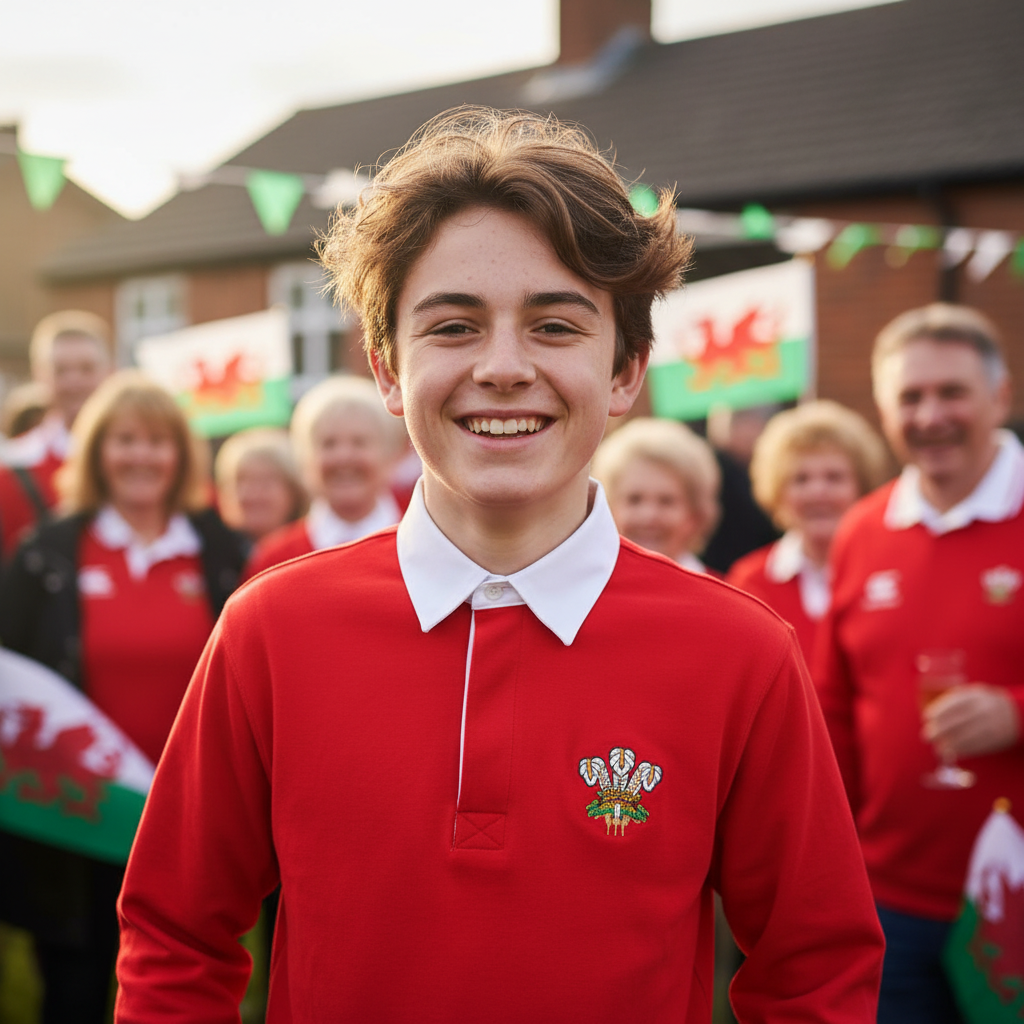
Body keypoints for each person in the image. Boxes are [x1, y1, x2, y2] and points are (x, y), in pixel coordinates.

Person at [115, 108, 883, 1022]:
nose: (505, 367)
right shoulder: (270, 629)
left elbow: (815, 969)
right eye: (454, 327)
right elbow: (175, 938)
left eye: (557, 327)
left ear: (627, 370)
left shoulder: (742, 652)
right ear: (388, 368)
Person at [0, 370, 245, 1024]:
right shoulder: (48, 552)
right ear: (98, 451)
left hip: (191, 816)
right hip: (79, 815)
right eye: (125, 440)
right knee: (75, 992)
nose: (141, 455)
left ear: (182, 454)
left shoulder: (222, 549)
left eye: (158, 441)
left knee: (182, 987)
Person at [813, 303, 1024, 1023]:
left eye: (951, 392)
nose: (930, 414)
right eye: (910, 397)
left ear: (1000, 396)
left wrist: (1017, 712)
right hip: (888, 899)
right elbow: (834, 704)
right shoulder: (862, 530)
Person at [727, 400, 889, 658]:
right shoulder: (749, 583)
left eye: (834, 477)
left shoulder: (889, 572)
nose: (818, 492)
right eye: (801, 479)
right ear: (778, 491)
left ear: (862, 486)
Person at [243, 374, 404, 576]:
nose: (343, 457)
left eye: (359, 442)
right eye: (329, 443)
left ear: (391, 453)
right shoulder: (274, 560)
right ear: (305, 458)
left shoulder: (426, 543)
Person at [0, 311, 112, 560]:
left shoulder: (144, 461)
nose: (74, 381)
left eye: (86, 368)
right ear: (39, 374)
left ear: (109, 370)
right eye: (60, 370)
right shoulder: (14, 465)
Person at [593, 416, 720, 573]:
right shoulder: (580, 591)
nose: (649, 516)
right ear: (609, 507)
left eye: (666, 501)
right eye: (634, 500)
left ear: (695, 515)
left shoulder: (726, 594)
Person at [214, 427, 307, 549]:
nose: (253, 493)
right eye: (242, 480)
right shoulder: (209, 552)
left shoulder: (316, 548)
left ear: (294, 490)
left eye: (266, 481)